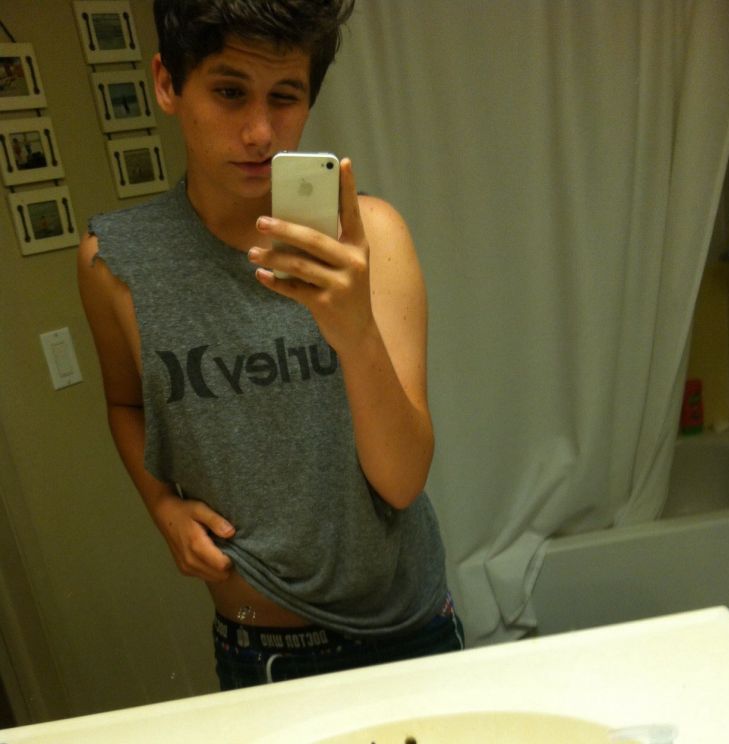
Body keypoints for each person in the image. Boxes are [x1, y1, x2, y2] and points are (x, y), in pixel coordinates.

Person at [78, 0, 463, 690]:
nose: (260, 132)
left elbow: (403, 480)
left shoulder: (373, 237)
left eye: (284, 97)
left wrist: (355, 331)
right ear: (168, 83)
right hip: (261, 650)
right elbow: (125, 403)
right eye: (230, 92)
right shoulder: (115, 262)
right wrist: (161, 505)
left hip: (413, 629)